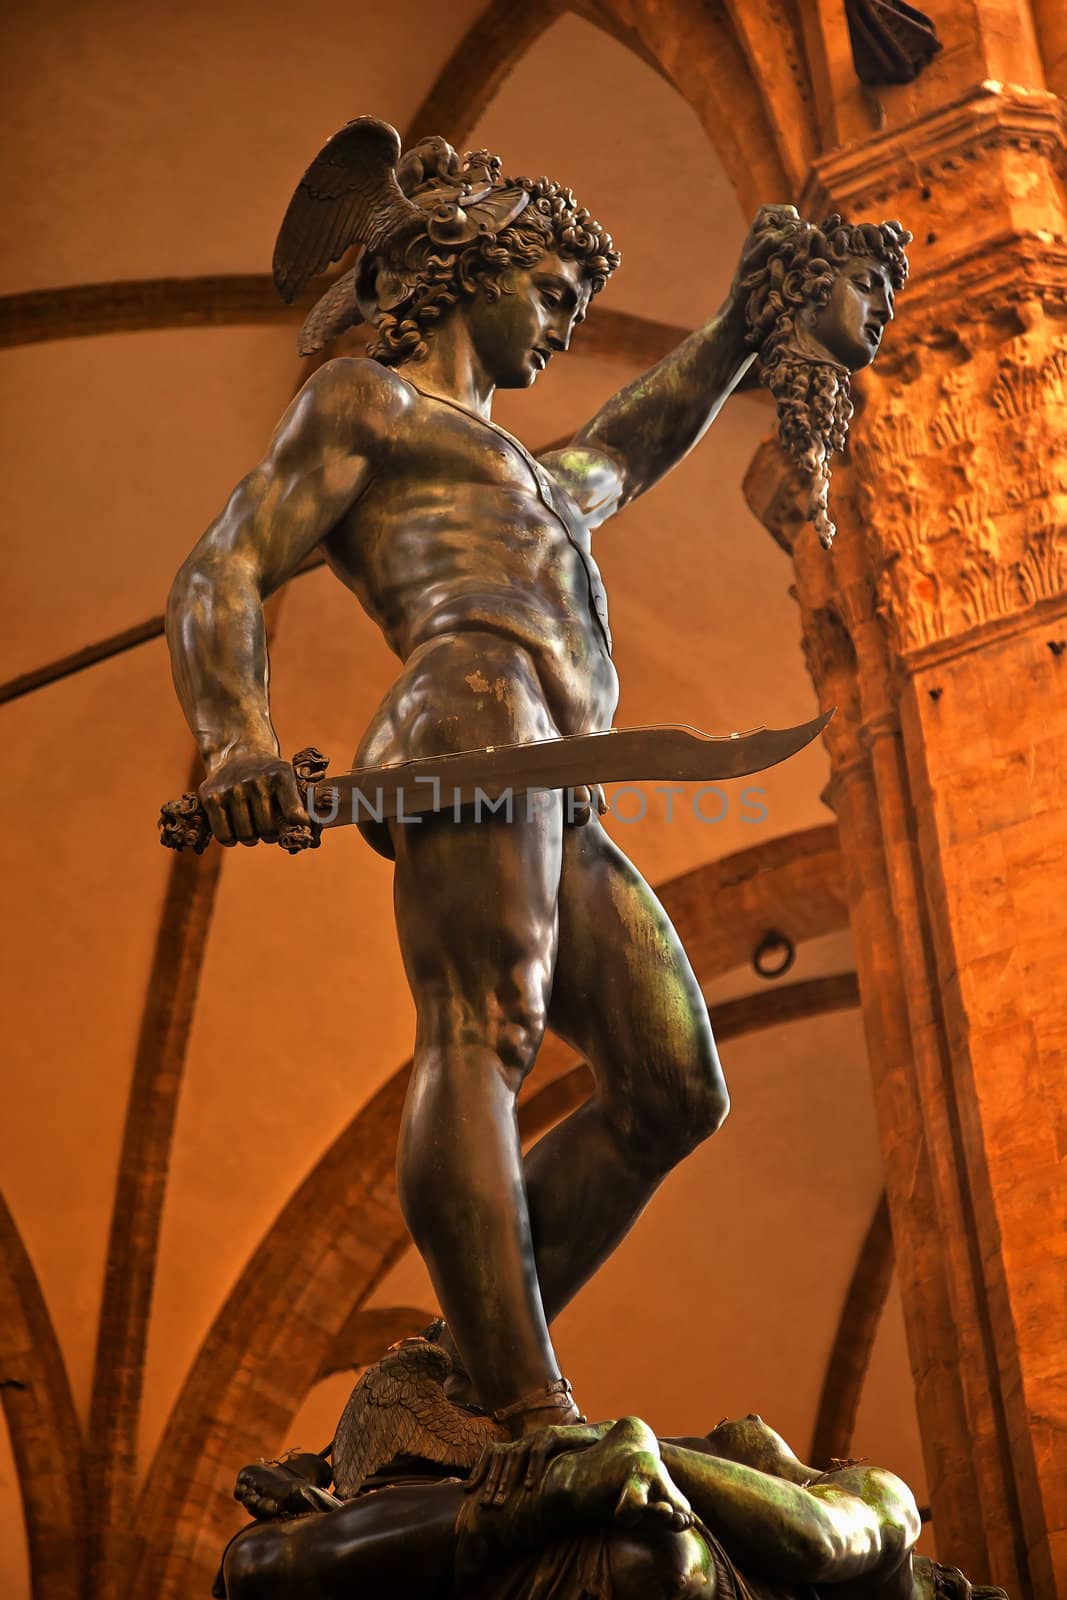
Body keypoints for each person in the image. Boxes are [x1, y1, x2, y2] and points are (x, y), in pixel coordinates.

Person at [166, 121, 907, 1437]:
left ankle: (457, 1365)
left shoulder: (526, 471)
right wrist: (235, 740)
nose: (566, 327)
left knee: (672, 1088)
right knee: (482, 1031)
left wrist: (742, 319)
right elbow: (223, 568)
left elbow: (628, 439)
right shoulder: (364, 406)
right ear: (471, 265)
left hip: (557, 774)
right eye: (555, 295)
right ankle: (525, 1404)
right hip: (468, 712)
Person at [217, 1412, 1005, 1600]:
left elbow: (809, 1543)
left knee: (255, 1567)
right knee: (255, 1567)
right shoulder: (881, 1506)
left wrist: (644, 1446)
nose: (744, 1419)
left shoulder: (871, 1504)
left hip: (657, 1565)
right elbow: (813, 1543)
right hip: (647, 1558)